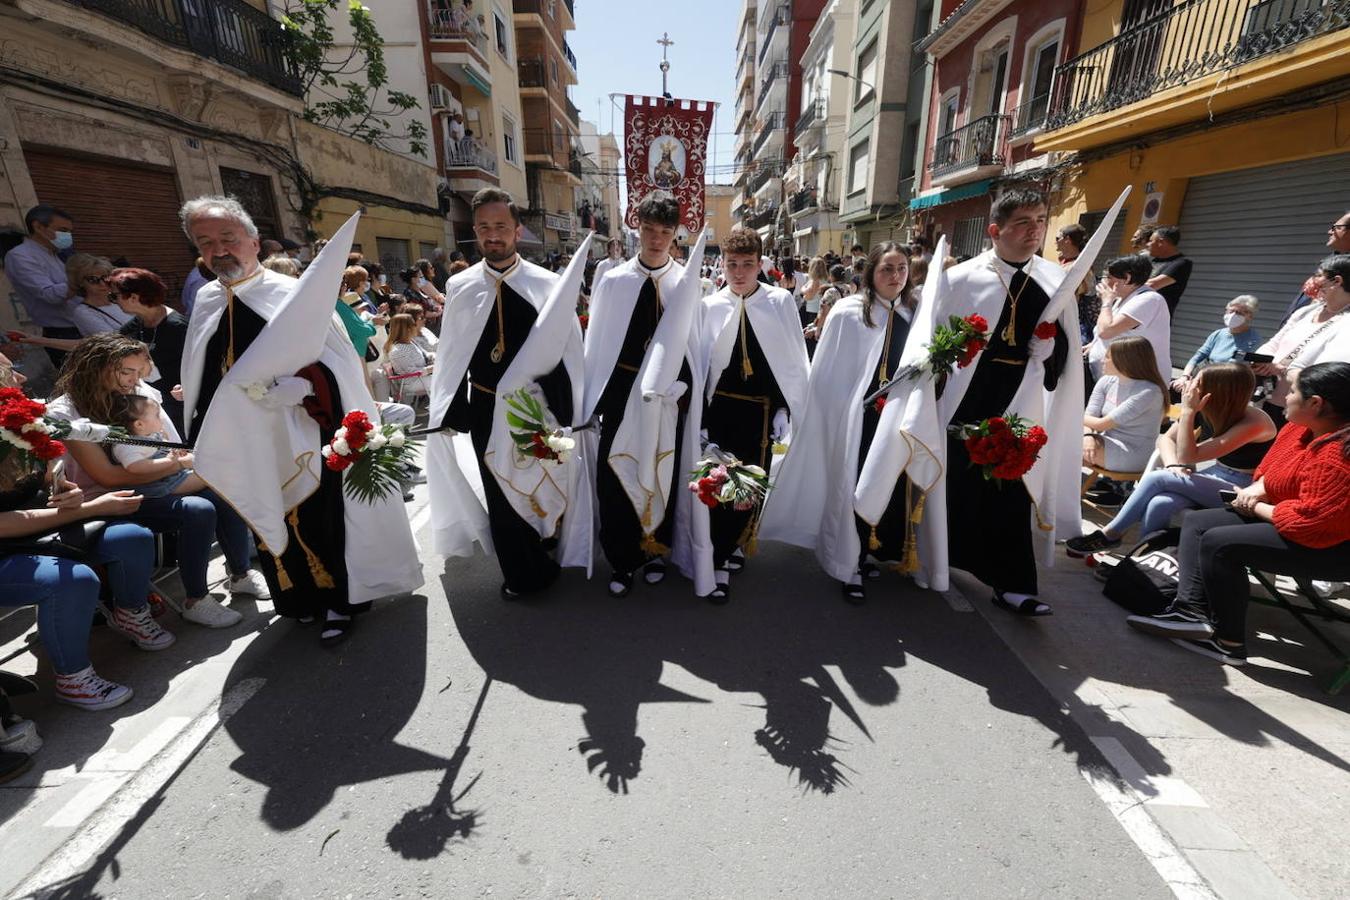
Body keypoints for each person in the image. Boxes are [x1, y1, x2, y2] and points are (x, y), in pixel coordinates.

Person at [177, 196, 421, 645]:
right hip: (249, 440)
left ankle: (339, 602)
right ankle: (297, 600)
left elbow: (341, 366)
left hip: (305, 432)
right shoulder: (207, 299)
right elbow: (204, 369)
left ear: (253, 241)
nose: (219, 250)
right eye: (205, 242)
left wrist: (306, 388)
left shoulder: (290, 295)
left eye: (228, 239)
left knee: (318, 518)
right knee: (266, 515)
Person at [1124, 362, 1350, 665]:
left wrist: (1255, 505)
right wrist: (1260, 488)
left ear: (1315, 403)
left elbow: (1309, 524)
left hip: (1330, 546)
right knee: (1196, 521)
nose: (1285, 396)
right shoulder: (1299, 428)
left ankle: (1229, 643)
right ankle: (1189, 611)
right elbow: (1270, 471)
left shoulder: (1339, 456)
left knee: (1221, 543)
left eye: (1293, 391)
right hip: (1293, 519)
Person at [427, 188, 585, 597]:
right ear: (475, 233)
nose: (492, 235)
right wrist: (449, 408)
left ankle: (548, 544)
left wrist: (563, 404)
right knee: (499, 488)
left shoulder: (547, 284)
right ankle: (521, 574)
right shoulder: (460, 286)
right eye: (483, 228)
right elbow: (452, 353)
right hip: (484, 406)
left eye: (500, 227)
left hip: (537, 406)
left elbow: (568, 351)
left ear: (517, 231)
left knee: (541, 481)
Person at [47, 333, 260, 630]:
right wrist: (183, 464)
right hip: (107, 499)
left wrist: (185, 463)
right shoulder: (64, 413)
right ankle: (196, 599)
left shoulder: (139, 391)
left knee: (221, 491)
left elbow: (168, 443)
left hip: (152, 482)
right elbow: (106, 477)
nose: (132, 380)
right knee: (198, 508)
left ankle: (240, 574)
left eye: (137, 372)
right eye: (125, 371)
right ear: (94, 367)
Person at [934, 189, 1078, 617]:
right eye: (1023, 222)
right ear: (995, 230)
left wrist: (1048, 352)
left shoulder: (1055, 281)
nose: (1034, 229)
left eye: (1040, 219)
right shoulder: (962, 279)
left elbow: (1066, 356)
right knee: (956, 485)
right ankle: (942, 559)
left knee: (1011, 490)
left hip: (1020, 399)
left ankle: (1014, 583)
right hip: (967, 398)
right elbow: (934, 347)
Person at [761, 242, 915, 603]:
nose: (895, 276)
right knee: (854, 488)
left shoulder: (913, 312)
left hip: (895, 420)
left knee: (889, 487)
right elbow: (828, 375)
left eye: (902, 269)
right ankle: (850, 563)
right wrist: (835, 416)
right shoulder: (848, 312)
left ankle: (875, 550)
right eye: (886, 269)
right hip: (855, 423)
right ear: (871, 273)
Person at [581, 195, 697, 597]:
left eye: (665, 232)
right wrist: (595, 399)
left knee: (661, 471)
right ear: (638, 228)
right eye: (649, 229)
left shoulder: (685, 281)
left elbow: (692, 346)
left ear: (675, 234)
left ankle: (653, 550)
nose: (656, 239)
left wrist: (684, 386)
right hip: (620, 396)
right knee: (615, 476)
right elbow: (597, 343)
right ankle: (621, 558)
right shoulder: (613, 280)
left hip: (666, 400)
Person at [687, 227, 808, 602]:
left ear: (760, 264)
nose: (739, 272)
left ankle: (736, 541)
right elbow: (703, 367)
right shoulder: (710, 305)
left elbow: (790, 361)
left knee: (751, 483)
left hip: (761, 412)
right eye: (732, 264)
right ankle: (718, 559)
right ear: (722, 263)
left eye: (748, 264)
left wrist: (784, 408)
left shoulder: (779, 302)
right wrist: (701, 418)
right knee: (721, 481)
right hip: (721, 408)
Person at [1068, 362, 1278, 555]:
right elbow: (1167, 439)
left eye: (1197, 382)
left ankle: (1111, 534)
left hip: (1243, 488)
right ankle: (1143, 559)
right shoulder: (1206, 407)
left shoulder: (1255, 422)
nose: (1189, 386)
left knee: (1156, 478)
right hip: (1215, 475)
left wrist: (1187, 413)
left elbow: (1189, 454)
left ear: (1218, 391)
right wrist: (1173, 465)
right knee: (1161, 503)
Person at [1251, 254, 1350, 428]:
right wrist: (1261, 360)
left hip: (1295, 414)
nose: (1312, 281)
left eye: (1318, 275)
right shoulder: (1305, 312)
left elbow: (1324, 378)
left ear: (1337, 281)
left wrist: (1280, 369)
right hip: (1265, 397)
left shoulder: (1346, 324)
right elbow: (1275, 342)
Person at [111, 268, 191, 435]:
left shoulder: (177, 326)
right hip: (152, 399)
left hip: (178, 402)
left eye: (115, 296)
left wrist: (188, 387)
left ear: (133, 297)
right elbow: (110, 343)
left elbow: (200, 363)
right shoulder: (140, 320)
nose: (114, 301)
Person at [4, 205, 80, 367]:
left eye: (69, 231)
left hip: (82, 326)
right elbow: (49, 294)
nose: (67, 236)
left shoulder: (58, 254)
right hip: (63, 333)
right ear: (38, 227)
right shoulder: (21, 256)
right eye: (62, 230)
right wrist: (83, 281)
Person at [1081, 336, 1168, 472]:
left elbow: (1102, 424)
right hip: (1104, 442)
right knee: (1063, 442)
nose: (1102, 361)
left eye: (1108, 357)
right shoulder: (1106, 381)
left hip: (1133, 453)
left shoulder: (1150, 391)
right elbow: (1089, 416)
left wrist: (1071, 415)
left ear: (1125, 361)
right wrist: (1087, 437)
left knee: (1066, 443)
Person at [1085, 254, 1172, 382]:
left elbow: (1106, 331)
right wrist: (1094, 344)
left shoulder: (1149, 300)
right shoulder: (1123, 298)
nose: (1104, 281)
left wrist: (1106, 302)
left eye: (1108, 277)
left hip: (1135, 382)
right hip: (1110, 379)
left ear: (1126, 278)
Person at [109, 394, 207, 497]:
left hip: (173, 474)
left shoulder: (151, 434)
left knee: (207, 469)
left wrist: (177, 452)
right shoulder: (126, 445)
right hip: (160, 483)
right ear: (139, 425)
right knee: (209, 475)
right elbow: (134, 466)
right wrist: (168, 461)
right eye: (157, 415)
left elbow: (164, 448)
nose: (161, 418)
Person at [1171, 295, 1263, 393]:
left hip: (1224, 384)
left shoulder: (1253, 339)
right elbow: (1198, 356)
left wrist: (1195, 383)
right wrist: (1184, 377)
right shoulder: (1218, 333)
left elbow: (1231, 366)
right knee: (1169, 388)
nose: (1233, 315)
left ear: (1250, 316)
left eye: (1239, 313)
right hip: (1204, 377)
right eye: (1230, 311)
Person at [1278, 210, 1350, 326]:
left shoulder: (1345, 269)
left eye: (1336, 227)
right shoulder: (1330, 261)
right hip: (1293, 328)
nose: (1330, 232)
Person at [66, 255, 135, 336]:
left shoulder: (117, 301)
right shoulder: (84, 312)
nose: (102, 284)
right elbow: (114, 341)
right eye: (93, 280)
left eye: (105, 277)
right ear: (81, 282)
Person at [1055, 223, 1100, 345]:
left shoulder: (1080, 267)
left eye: (1057, 238)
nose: (1055, 242)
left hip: (1073, 322)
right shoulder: (1066, 262)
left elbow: (1069, 295)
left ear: (1067, 240)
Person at [384, 313, 433, 400]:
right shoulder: (398, 351)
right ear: (407, 329)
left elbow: (426, 354)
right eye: (414, 324)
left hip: (422, 378)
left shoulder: (410, 341)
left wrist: (437, 358)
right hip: (413, 383)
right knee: (447, 377)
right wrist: (433, 368)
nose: (417, 326)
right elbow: (413, 373)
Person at [1146, 225, 1192, 316]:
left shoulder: (1181, 263)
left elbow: (1152, 285)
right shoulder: (1151, 261)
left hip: (1156, 318)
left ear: (1161, 242)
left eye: (1151, 241)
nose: (1148, 244)